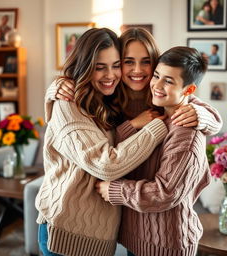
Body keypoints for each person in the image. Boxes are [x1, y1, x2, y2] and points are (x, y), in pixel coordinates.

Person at [50, 28, 222, 256]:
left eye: (146, 62)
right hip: (127, 230)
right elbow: (109, 145)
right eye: (128, 62)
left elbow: (187, 100)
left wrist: (206, 117)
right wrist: (54, 88)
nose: (138, 70)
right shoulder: (110, 95)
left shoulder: (165, 101)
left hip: (159, 232)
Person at [35, 28, 168, 256]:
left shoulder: (107, 98)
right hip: (66, 233)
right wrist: (157, 127)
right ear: (85, 66)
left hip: (101, 237)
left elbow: (187, 97)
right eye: (100, 67)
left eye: (115, 65)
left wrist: (205, 116)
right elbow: (106, 164)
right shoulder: (68, 103)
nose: (111, 75)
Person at [96, 46, 212, 256]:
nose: (156, 85)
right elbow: (123, 148)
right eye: (157, 75)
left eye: (168, 81)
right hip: (139, 239)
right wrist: (133, 125)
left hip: (166, 246)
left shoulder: (186, 135)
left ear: (188, 90)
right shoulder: (159, 113)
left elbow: (164, 193)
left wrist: (114, 190)